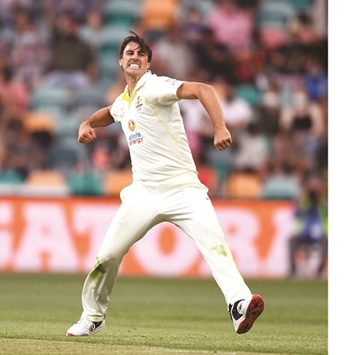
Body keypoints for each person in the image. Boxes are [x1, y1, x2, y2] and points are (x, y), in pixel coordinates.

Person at [66, 31, 264, 337]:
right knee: (107, 256)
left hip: (183, 188)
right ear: (120, 62)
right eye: (129, 53)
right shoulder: (124, 101)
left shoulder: (155, 86)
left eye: (141, 55)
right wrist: (86, 123)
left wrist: (220, 126)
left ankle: (238, 304)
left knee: (215, 244)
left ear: (147, 64)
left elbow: (204, 89)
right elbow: (110, 113)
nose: (135, 57)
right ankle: (93, 316)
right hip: (143, 192)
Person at [288, 176, 328, 279]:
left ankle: (319, 272)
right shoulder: (304, 200)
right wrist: (305, 196)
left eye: (316, 187)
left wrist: (320, 197)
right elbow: (296, 213)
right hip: (303, 233)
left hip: (320, 234)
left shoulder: (324, 200)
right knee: (291, 240)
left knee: (327, 242)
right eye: (312, 187)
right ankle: (293, 271)